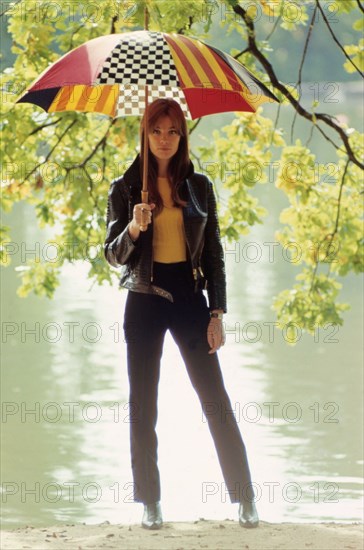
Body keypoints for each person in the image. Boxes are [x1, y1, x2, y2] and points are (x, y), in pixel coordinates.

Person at [104, 98, 259, 530]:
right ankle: (150, 502)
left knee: (216, 400)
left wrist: (217, 313)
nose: (165, 139)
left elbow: (214, 255)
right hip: (144, 300)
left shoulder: (200, 187)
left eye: (173, 131)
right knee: (143, 404)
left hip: (191, 300)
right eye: (157, 130)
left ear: (183, 136)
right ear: (145, 134)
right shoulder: (124, 188)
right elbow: (113, 257)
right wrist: (134, 227)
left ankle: (245, 497)